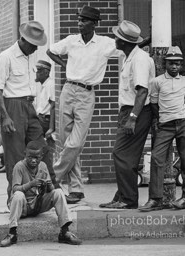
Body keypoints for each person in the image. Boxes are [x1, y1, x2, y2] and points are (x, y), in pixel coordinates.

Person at [47, 5, 119, 204]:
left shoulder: (105, 43)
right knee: (66, 143)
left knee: (75, 143)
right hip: (68, 90)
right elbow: (50, 51)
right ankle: (76, 190)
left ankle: (52, 178)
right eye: (79, 19)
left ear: (94, 23)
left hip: (87, 93)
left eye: (84, 20)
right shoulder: (71, 41)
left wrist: (147, 38)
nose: (80, 23)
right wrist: (64, 65)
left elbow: (127, 44)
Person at [139, 46, 185, 212]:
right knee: (156, 159)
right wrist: (158, 120)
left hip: (183, 123)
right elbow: (154, 103)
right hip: (165, 126)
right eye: (171, 63)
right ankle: (155, 199)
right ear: (165, 64)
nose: (174, 67)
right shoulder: (156, 82)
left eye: (177, 63)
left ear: (181, 65)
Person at [99, 20, 155, 209]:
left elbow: (142, 91)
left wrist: (132, 118)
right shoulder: (131, 56)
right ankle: (121, 196)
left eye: (117, 37)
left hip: (136, 112)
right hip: (128, 111)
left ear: (124, 41)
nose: (115, 39)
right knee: (123, 156)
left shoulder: (139, 59)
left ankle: (128, 200)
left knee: (122, 155)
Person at [0, 20, 48, 202]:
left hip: (29, 106)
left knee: (39, 147)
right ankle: (15, 198)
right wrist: (5, 117)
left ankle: (38, 193)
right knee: (15, 156)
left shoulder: (31, 56)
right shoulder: (6, 57)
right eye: (33, 45)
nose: (35, 49)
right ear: (23, 39)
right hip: (13, 106)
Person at [0, 140, 81, 247]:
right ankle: (12, 233)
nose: (33, 160)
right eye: (30, 157)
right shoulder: (19, 167)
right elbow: (15, 189)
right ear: (25, 154)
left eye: (36, 158)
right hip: (22, 207)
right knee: (18, 195)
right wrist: (31, 184)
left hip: (37, 204)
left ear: (41, 156)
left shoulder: (43, 166)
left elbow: (50, 190)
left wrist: (48, 185)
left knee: (59, 192)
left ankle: (64, 232)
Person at [34, 60, 57, 185]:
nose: (36, 74)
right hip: (40, 118)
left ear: (46, 72)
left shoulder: (50, 84)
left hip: (45, 121)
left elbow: (53, 105)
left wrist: (51, 128)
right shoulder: (43, 85)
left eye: (39, 71)